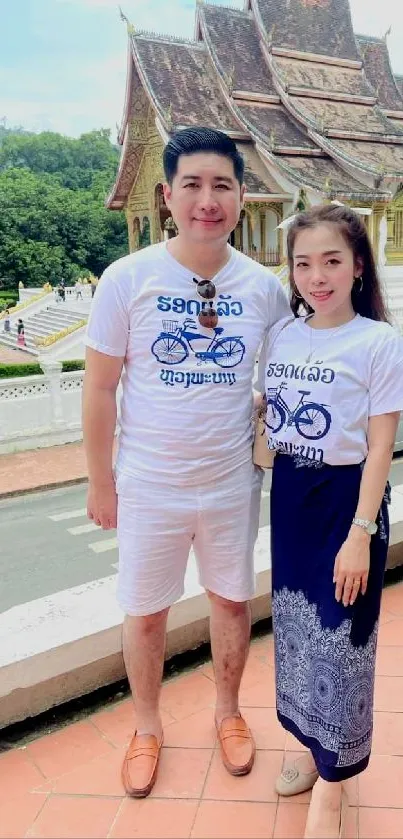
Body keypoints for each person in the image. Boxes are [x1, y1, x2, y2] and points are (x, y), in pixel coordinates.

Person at [83, 126, 290, 798]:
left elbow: (292, 368)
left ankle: (227, 712)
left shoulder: (262, 287)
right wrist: (100, 480)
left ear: (240, 195)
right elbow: (100, 385)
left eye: (222, 185)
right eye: (193, 185)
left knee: (231, 601)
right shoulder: (129, 278)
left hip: (232, 479)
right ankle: (146, 725)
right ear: (168, 195)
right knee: (145, 611)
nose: (208, 200)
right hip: (149, 482)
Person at [262, 204, 403, 838]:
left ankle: (335, 778)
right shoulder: (285, 336)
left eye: (331, 261)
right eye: (303, 263)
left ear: (357, 265)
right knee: (294, 636)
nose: (316, 276)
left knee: (343, 642)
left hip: (347, 505)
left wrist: (359, 533)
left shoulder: (379, 341)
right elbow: (269, 410)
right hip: (291, 497)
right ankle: (306, 744)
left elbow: (380, 447)